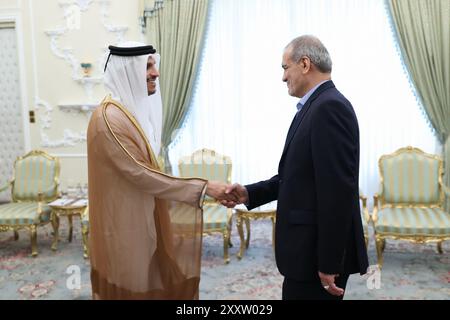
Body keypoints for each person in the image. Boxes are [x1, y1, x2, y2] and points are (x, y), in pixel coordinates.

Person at [223, 35, 369, 300]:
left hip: (315, 258)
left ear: (304, 64)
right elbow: (295, 177)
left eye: (284, 67)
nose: (282, 77)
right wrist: (249, 193)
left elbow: (336, 193)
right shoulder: (314, 107)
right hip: (305, 254)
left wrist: (329, 263)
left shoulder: (329, 108)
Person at [87, 41, 233, 299]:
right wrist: (204, 187)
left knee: (157, 281)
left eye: (154, 65)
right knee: (135, 287)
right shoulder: (108, 119)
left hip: (146, 217)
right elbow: (140, 173)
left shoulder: (126, 113)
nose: (156, 73)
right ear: (127, 71)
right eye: (148, 66)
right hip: (127, 225)